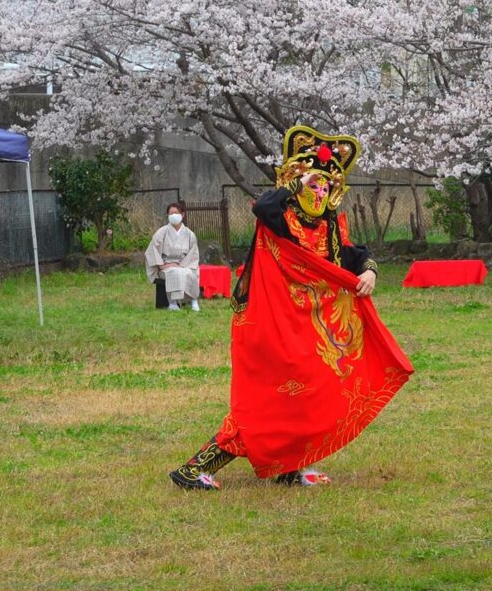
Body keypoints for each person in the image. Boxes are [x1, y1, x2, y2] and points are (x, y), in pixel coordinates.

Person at [169, 126, 412, 490]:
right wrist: (299, 182)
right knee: (267, 402)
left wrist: (369, 271)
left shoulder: (329, 225)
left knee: (310, 393)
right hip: (269, 323)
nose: (318, 193)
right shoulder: (281, 220)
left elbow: (354, 254)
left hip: (307, 327)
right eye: (312, 185)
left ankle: (289, 468)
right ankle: (194, 469)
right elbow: (263, 206)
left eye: (325, 187)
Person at [145, 202, 200, 312]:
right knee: (174, 272)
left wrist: (181, 265)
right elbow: (152, 250)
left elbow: (193, 254)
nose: (174, 215)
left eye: (176, 212)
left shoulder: (189, 234)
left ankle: (194, 300)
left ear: (182, 214)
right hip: (166, 266)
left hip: (184, 264)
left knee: (190, 273)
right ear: (168, 216)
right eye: (171, 213)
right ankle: (173, 303)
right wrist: (161, 266)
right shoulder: (162, 232)